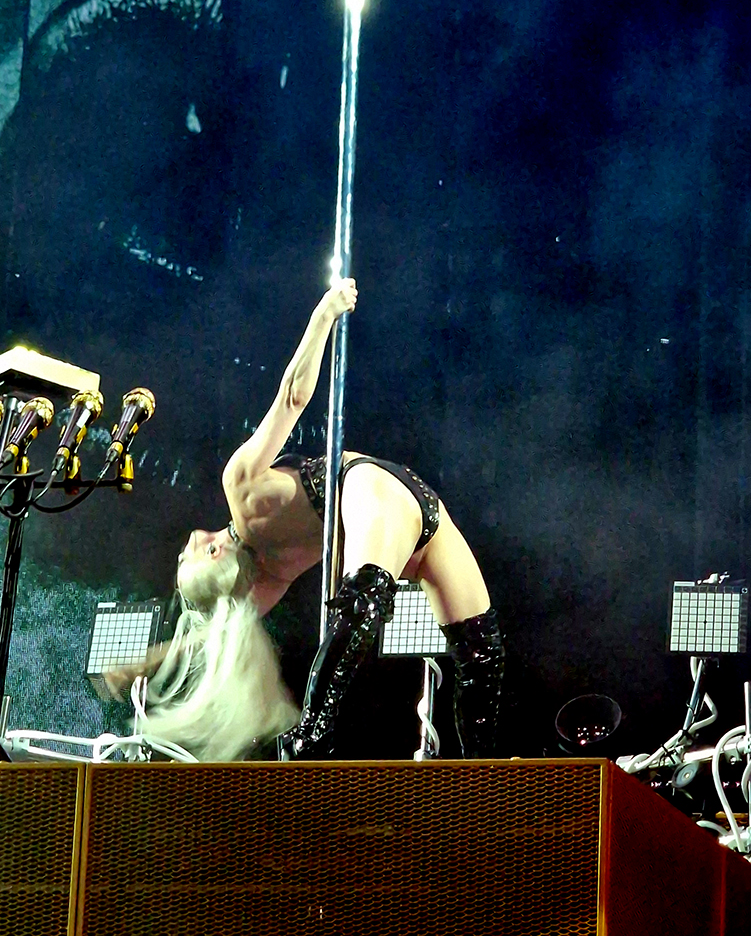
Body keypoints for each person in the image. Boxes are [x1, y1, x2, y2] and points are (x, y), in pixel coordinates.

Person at [132, 279, 504, 762]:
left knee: (463, 642)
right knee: (476, 649)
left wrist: (148, 661)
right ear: (213, 551)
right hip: (382, 494)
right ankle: (327, 739)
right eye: (188, 556)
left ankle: (321, 739)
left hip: (389, 508)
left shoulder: (266, 580)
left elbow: (210, 634)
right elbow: (292, 397)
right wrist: (323, 314)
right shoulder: (240, 488)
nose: (184, 545)